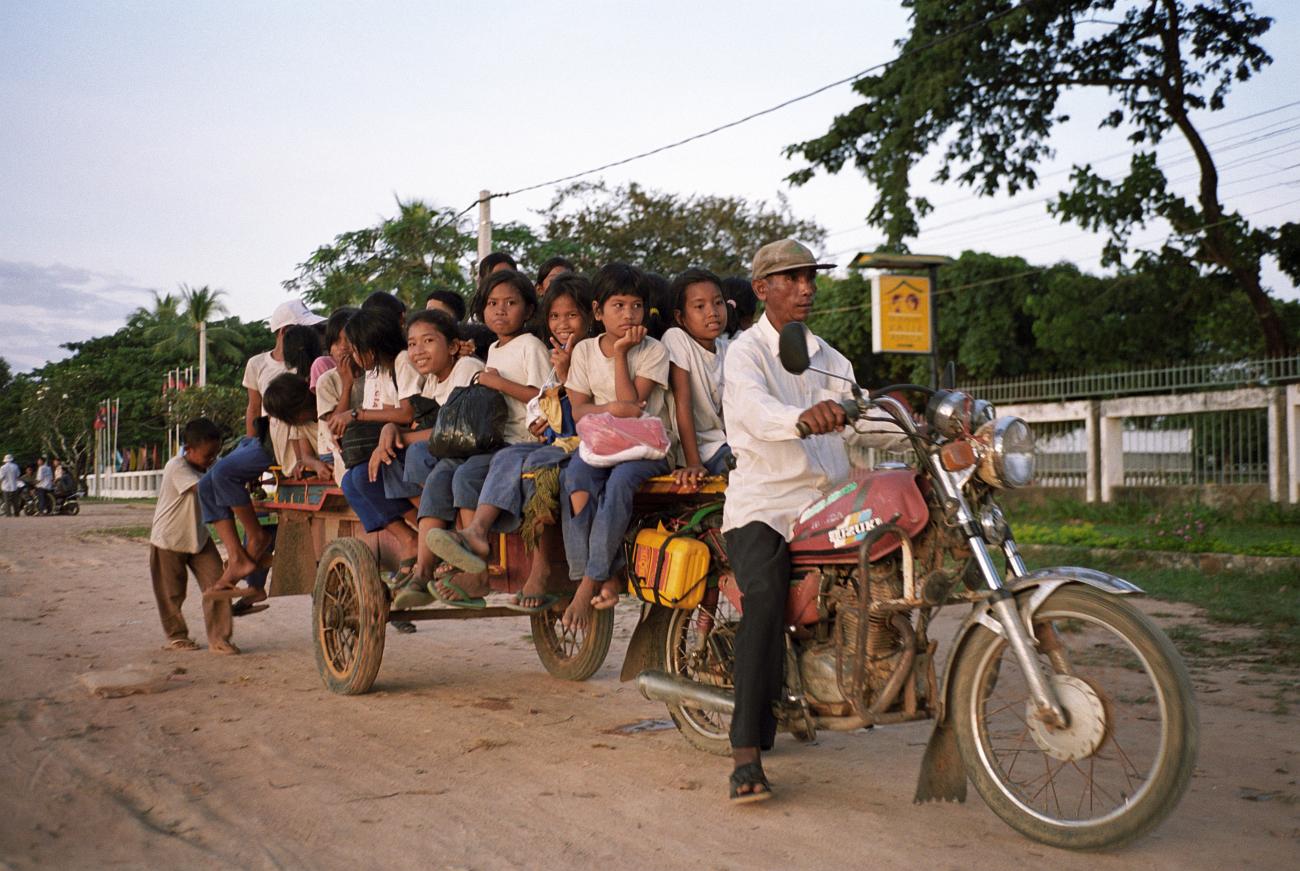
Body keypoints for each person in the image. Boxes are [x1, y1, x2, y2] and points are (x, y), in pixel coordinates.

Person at [720, 239, 902, 804]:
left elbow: (860, 413)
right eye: (792, 278)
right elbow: (753, 410)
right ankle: (746, 752)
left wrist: (920, 425)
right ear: (762, 289)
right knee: (767, 596)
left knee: (898, 557)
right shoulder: (745, 354)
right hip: (765, 505)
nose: (805, 289)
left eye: (809, 278)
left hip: (826, 502)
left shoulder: (828, 357)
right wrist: (802, 416)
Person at [424, 274, 591, 613]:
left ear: (529, 309)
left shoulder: (530, 345)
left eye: (510, 303)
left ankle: (482, 538)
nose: (500, 311)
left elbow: (540, 395)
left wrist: (496, 382)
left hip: (533, 438)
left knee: (520, 469)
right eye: (492, 304)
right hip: (505, 440)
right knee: (465, 476)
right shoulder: (493, 348)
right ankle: (474, 563)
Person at [558, 263, 673, 632]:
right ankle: (593, 573)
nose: (628, 314)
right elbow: (578, 410)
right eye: (618, 306)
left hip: (646, 449)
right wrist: (608, 409)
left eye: (636, 306)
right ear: (597, 311)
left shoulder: (653, 351)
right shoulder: (586, 351)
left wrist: (623, 353)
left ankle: (589, 582)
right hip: (598, 445)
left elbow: (633, 408)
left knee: (621, 482)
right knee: (574, 477)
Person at [199, 298, 324, 590]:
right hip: (263, 436)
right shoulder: (258, 363)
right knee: (209, 484)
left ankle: (255, 541)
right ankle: (240, 552)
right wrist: (249, 444)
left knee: (222, 475)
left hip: (290, 437)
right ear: (284, 332)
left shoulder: (307, 363)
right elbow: (253, 409)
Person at [149, 418, 238, 654]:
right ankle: (177, 636)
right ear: (188, 450)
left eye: (215, 454)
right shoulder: (176, 466)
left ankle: (219, 638)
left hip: (199, 537)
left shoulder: (213, 466)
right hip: (169, 539)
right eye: (207, 455)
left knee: (218, 583)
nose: (212, 459)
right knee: (171, 593)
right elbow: (205, 489)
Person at [661, 267, 732, 489]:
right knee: (744, 472)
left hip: (730, 442)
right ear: (680, 317)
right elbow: (683, 401)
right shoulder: (676, 339)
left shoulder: (730, 349)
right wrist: (694, 463)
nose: (712, 312)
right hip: (700, 449)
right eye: (700, 306)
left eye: (718, 303)